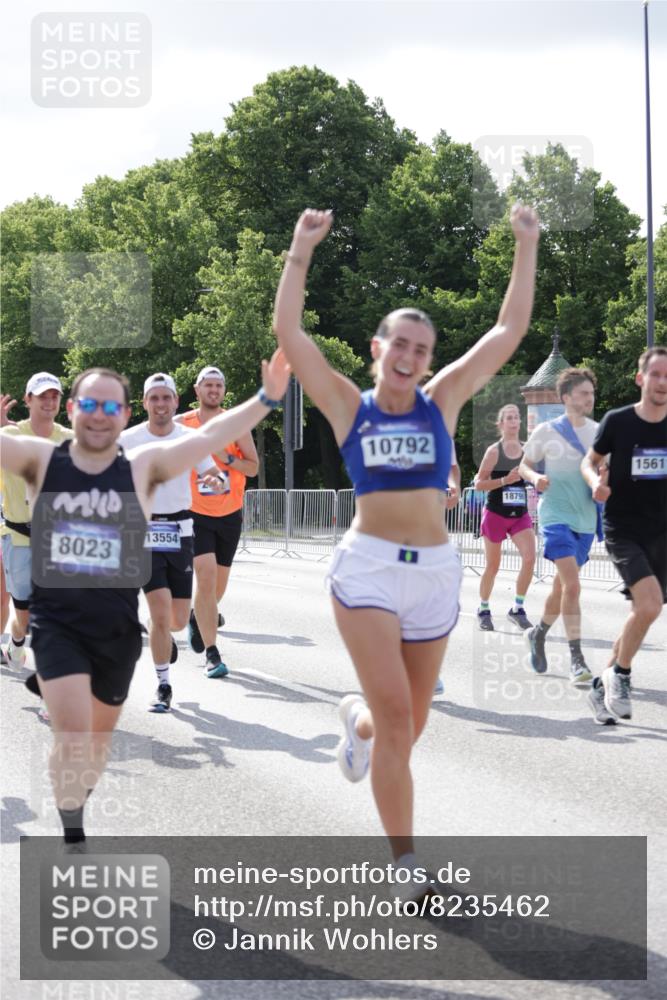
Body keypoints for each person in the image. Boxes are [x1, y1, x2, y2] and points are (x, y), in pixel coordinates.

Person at [273, 204, 538, 894]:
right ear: (376, 348)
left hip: (434, 576)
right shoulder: (344, 404)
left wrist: (525, 244)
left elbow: (508, 330)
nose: (412, 357)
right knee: (398, 718)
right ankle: (405, 865)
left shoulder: (442, 399)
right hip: (367, 571)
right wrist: (301, 249)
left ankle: (354, 723)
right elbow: (290, 332)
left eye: (422, 349)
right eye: (401, 345)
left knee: (407, 724)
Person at [0, 355, 289, 848]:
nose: (98, 413)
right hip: (60, 620)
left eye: (110, 406)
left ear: (123, 414)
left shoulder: (143, 465)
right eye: (88, 403)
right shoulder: (42, 458)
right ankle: (73, 836)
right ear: (74, 409)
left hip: (115, 629)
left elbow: (205, 441)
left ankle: (76, 800)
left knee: (94, 743)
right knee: (71, 730)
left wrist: (265, 398)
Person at [120, 372, 223, 711]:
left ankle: (160, 632)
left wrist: (216, 479)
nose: (161, 404)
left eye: (167, 398)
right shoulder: (128, 439)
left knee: (176, 619)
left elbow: (210, 471)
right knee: (161, 613)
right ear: (145, 403)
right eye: (155, 398)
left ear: (176, 401)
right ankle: (163, 685)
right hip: (143, 532)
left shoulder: (190, 438)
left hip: (180, 531)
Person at [581, 346, 667, 724]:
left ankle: (600, 686)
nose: (663, 382)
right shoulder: (618, 421)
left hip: (662, 532)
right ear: (640, 379)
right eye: (656, 374)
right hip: (624, 529)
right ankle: (621, 675)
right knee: (649, 606)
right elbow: (591, 461)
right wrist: (594, 484)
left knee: (642, 613)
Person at [518, 368, 599, 685]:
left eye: (591, 393)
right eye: (583, 393)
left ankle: (538, 634)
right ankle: (577, 660)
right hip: (554, 516)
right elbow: (523, 464)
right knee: (573, 585)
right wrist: (536, 477)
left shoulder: (599, 432)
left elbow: (605, 468)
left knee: (562, 587)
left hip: (586, 519)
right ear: (566, 397)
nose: (588, 398)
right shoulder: (547, 431)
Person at [178, 367, 259, 677]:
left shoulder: (235, 423)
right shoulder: (182, 424)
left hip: (229, 514)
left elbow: (252, 468)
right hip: (194, 513)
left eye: (218, 385)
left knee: (216, 590)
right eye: (207, 385)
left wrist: (226, 460)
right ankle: (213, 655)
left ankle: (199, 616)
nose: (213, 390)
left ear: (224, 391)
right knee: (206, 576)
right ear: (197, 390)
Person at [1, 375, 72, 673]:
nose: (49, 401)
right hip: (18, 538)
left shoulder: (70, 439)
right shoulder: (10, 435)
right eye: (42, 395)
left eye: (54, 396)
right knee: (26, 616)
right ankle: (16, 642)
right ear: (28, 399)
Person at [473, 403, 535, 631]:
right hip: (496, 514)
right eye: (508, 417)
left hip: (519, 514)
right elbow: (478, 484)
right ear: (500, 424)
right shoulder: (494, 451)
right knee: (493, 566)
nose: (514, 421)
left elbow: (537, 473)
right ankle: (484, 608)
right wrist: (504, 481)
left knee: (529, 558)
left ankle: (517, 609)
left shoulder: (527, 449)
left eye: (516, 417)